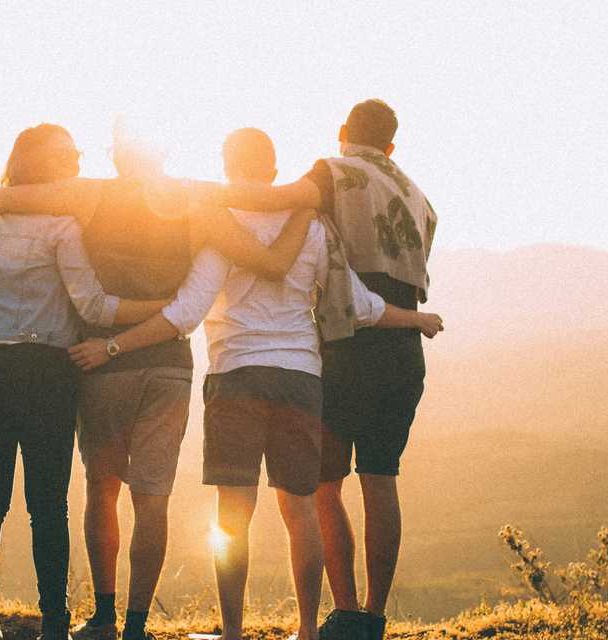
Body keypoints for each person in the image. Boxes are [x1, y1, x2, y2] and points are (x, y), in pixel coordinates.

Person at [70, 128, 443, 640]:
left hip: (236, 377)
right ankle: (309, 631)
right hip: (300, 378)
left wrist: (115, 345)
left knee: (233, 513)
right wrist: (414, 319)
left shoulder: (221, 227)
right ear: (273, 170)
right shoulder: (312, 226)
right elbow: (358, 304)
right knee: (301, 509)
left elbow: (186, 313)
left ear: (228, 167)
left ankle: (231, 632)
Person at [0, 123, 314, 640]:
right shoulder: (197, 199)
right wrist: (307, 201)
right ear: (164, 151)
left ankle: (104, 619)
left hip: (102, 362)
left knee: (102, 488)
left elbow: (0, 197)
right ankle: (137, 624)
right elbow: (269, 260)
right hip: (168, 366)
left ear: (117, 157)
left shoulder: (89, 194)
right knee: (152, 497)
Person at [211, 100, 439, 640]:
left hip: (346, 343)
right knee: (381, 479)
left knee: (324, 485)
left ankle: (344, 610)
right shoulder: (418, 196)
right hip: (402, 344)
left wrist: (195, 197)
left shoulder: (332, 172)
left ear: (343, 133)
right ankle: (373, 617)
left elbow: (275, 199)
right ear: (392, 145)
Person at [0, 124, 173, 640]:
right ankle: (55, 619)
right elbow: (95, 306)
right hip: (45, 371)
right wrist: (166, 310)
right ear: (44, 166)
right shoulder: (61, 228)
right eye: (68, 155)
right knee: (47, 503)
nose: (77, 160)